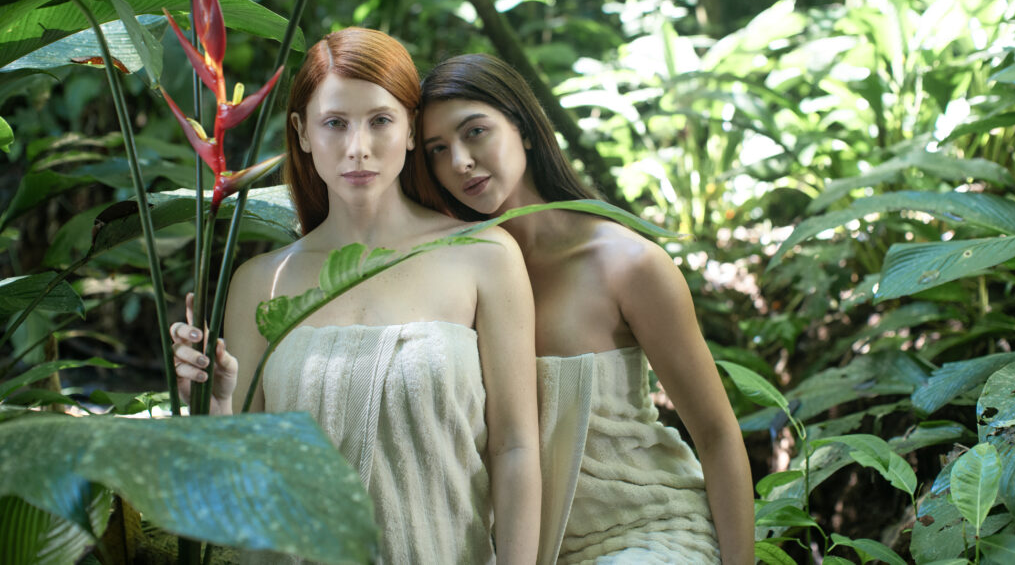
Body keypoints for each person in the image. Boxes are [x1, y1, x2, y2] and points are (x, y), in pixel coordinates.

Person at [170, 30, 541, 564]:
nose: (358, 148)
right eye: (335, 123)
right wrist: (213, 405)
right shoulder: (259, 281)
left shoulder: (484, 254)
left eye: (380, 121)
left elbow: (516, 448)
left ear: (411, 128)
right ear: (302, 132)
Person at [413, 53, 754, 565]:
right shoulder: (450, 275)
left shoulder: (627, 263)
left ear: (525, 129)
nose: (459, 161)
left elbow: (717, 434)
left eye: (475, 132)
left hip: (648, 533)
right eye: (438, 150)